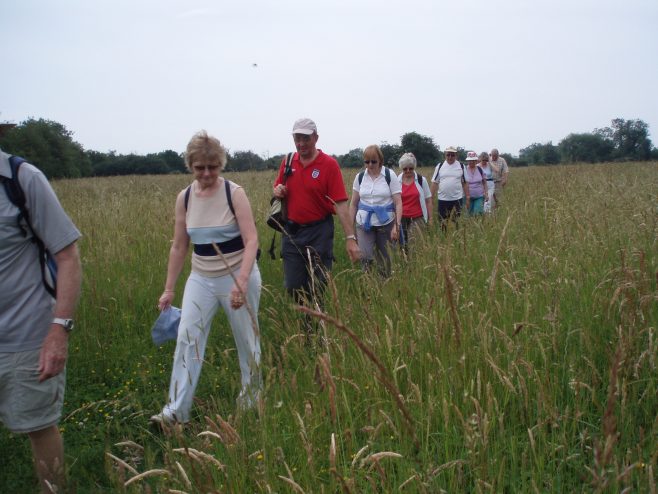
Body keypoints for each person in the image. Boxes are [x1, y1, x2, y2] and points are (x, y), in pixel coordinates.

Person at [153, 131, 262, 425]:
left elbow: (252, 240)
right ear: (190, 165)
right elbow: (179, 246)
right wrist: (169, 289)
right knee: (188, 338)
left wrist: (240, 281)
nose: (206, 173)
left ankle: (252, 401)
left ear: (221, 165)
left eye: (212, 167)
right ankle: (176, 411)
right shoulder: (185, 198)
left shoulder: (234, 193)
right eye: (199, 167)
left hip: (238, 275)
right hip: (201, 277)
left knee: (246, 339)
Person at [0, 149, 82, 492]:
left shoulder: (21, 179)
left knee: (39, 425)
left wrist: (58, 329)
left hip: (26, 334)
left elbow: (67, 255)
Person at [272, 118, 360, 310]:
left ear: (316, 138)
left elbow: (341, 203)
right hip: (292, 232)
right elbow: (278, 187)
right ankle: (306, 316)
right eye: (297, 138)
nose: (301, 143)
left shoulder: (329, 165)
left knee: (318, 284)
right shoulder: (288, 162)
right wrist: (278, 190)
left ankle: (317, 326)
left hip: (319, 231)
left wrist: (350, 238)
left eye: (306, 138)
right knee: (293, 285)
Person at [349, 145, 402, 276]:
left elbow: (398, 202)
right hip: (364, 223)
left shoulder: (390, 175)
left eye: (373, 161)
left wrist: (397, 225)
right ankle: (368, 284)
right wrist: (350, 230)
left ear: (380, 161)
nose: (370, 165)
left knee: (386, 259)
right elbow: (354, 203)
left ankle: (385, 284)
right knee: (365, 256)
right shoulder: (360, 177)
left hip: (386, 223)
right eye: (367, 162)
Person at [396, 152, 432, 251]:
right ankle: (405, 264)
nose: (408, 171)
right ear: (401, 168)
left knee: (415, 246)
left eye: (411, 168)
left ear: (414, 167)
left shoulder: (421, 180)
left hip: (417, 218)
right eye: (405, 169)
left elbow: (428, 200)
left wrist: (430, 218)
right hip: (401, 218)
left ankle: (414, 265)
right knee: (402, 246)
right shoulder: (396, 180)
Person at [430, 146, 469, 231]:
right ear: (445, 155)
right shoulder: (440, 166)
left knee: (456, 222)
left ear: (456, 155)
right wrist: (431, 198)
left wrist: (468, 197)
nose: (450, 157)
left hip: (457, 199)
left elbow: (465, 183)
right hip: (443, 199)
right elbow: (435, 182)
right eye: (448, 155)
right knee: (442, 223)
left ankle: (456, 239)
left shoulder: (461, 166)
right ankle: (444, 240)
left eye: (452, 155)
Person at [464, 151, 488, 216]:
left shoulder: (480, 169)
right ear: (467, 161)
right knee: (468, 215)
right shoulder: (464, 170)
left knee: (478, 214)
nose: (471, 162)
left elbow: (484, 182)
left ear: (476, 160)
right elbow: (462, 183)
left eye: (473, 160)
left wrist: (486, 193)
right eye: (470, 160)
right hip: (467, 197)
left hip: (479, 196)